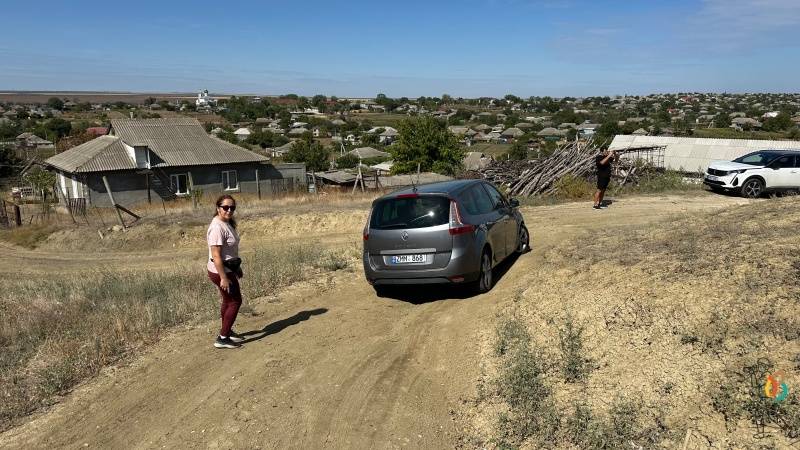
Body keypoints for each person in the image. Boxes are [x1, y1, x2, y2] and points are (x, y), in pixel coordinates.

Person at [207, 194, 245, 349]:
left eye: (232, 208)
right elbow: (216, 256)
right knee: (235, 301)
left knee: (228, 301)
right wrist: (223, 277)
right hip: (221, 271)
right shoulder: (217, 227)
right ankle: (222, 338)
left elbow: (229, 252)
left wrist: (237, 268)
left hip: (228, 268)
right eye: (225, 207)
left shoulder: (226, 223)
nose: (229, 210)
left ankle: (226, 331)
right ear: (218, 208)